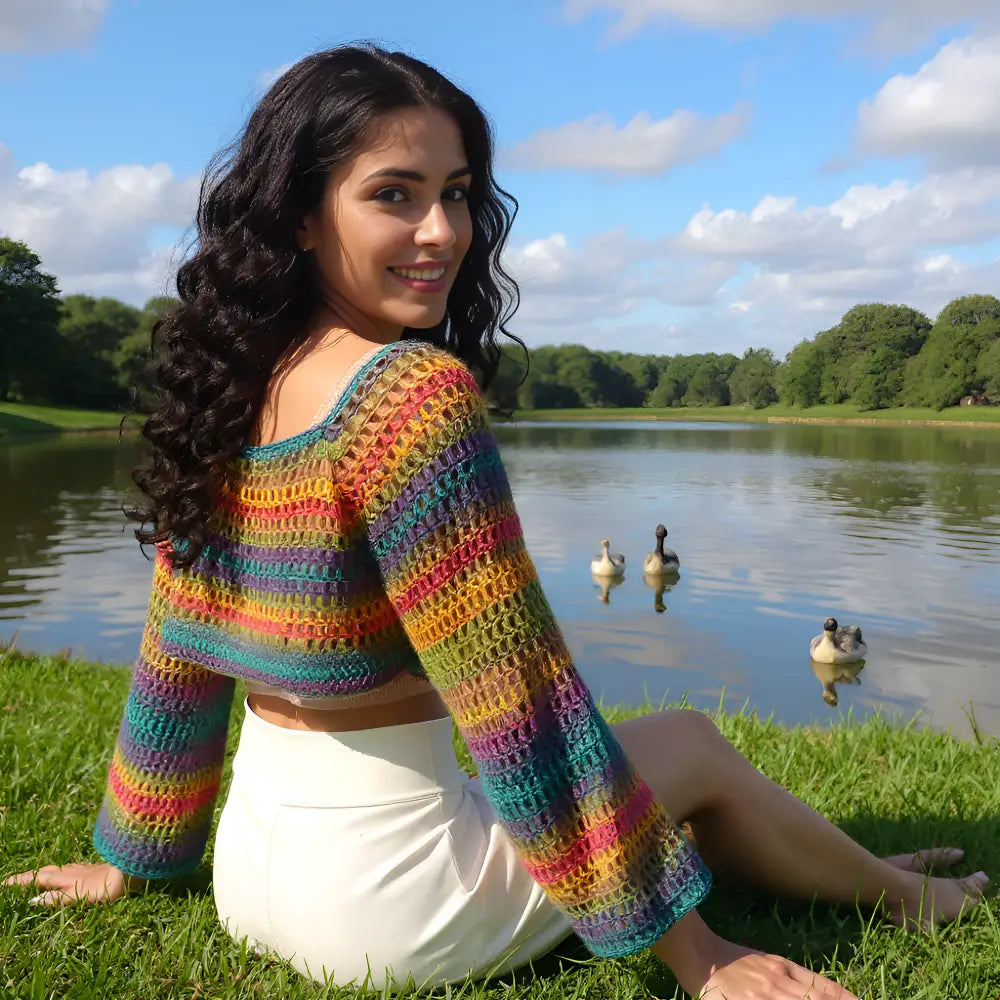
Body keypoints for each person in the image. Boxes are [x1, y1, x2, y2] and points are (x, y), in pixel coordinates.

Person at [2, 44, 988, 999]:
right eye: (395, 194)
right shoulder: (405, 397)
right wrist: (702, 955)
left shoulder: (226, 385)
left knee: (666, 771)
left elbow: (173, 655)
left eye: (459, 192)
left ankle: (855, 868)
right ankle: (911, 898)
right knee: (684, 738)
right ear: (301, 213)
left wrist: (131, 860)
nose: (443, 229)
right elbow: (520, 703)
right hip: (395, 906)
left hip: (253, 878)